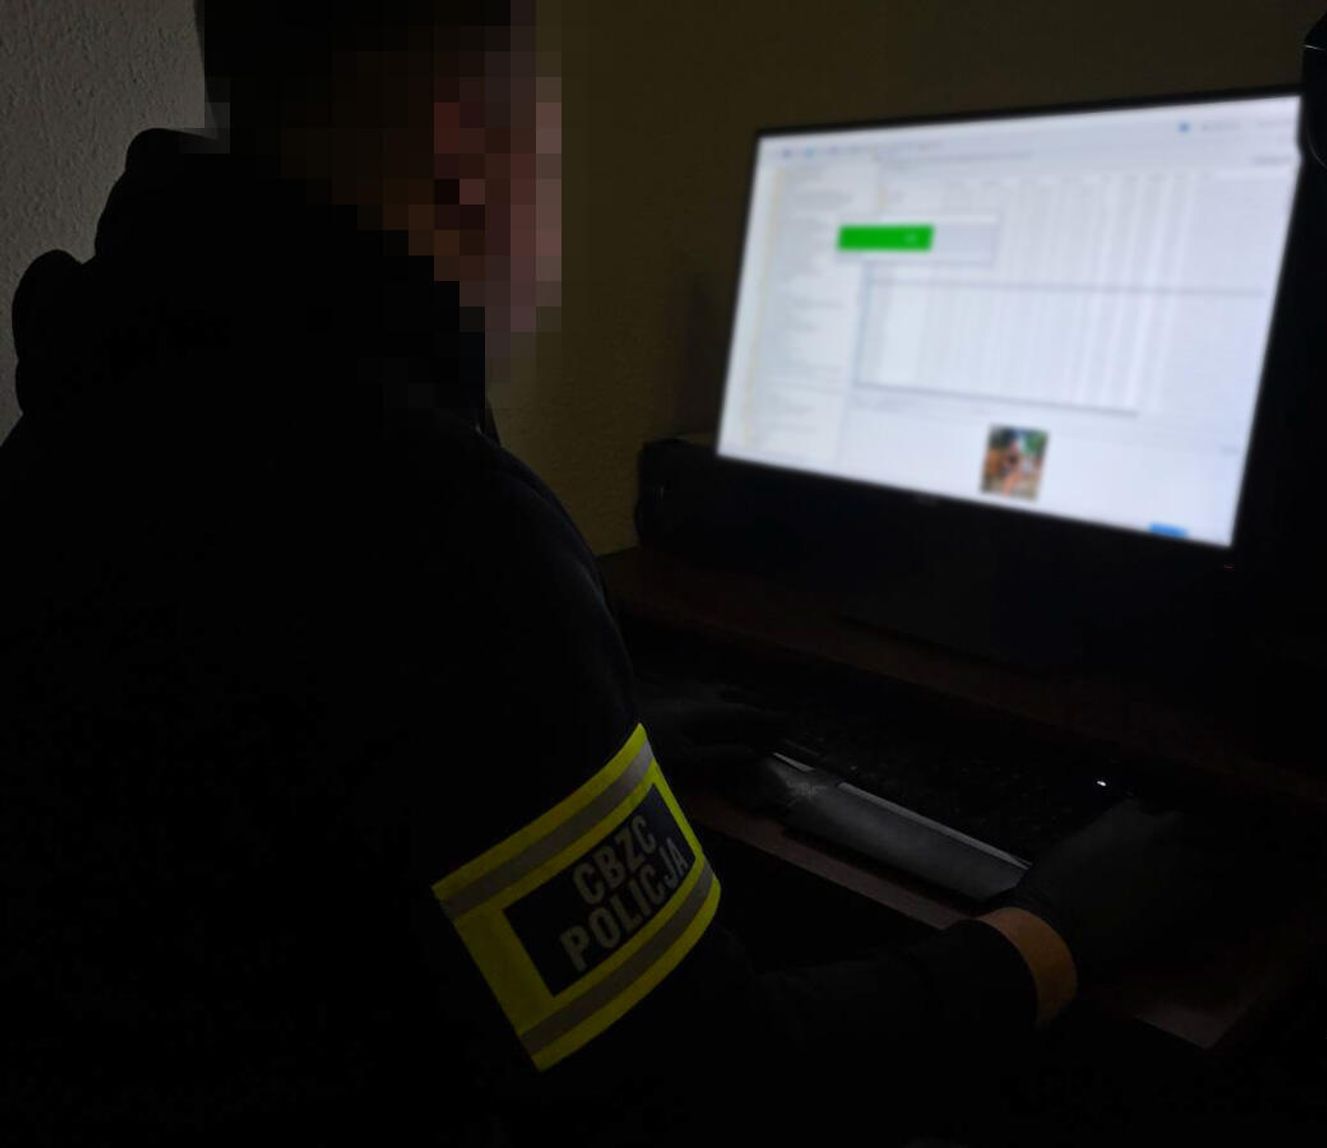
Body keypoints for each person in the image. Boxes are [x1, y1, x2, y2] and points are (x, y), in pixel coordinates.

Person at [0, 3, 1215, 1144]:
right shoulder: (432, 517)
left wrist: (591, 751)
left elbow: (333, 765)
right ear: (468, 145)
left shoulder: (107, 399)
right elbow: (709, 1091)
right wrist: (1052, 930)